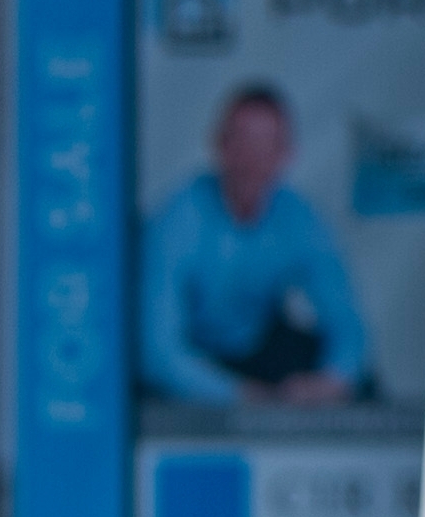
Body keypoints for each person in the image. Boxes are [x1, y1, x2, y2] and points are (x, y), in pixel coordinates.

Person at [138, 82, 372, 405]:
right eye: (243, 143)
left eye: (266, 146)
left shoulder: (299, 218)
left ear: (286, 154)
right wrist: (236, 395)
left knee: (361, 382)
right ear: (219, 146)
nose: (252, 160)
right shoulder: (177, 221)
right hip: (194, 356)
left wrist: (332, 379)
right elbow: (157, 350)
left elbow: (348, 325)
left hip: (258, 348)